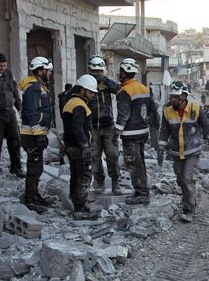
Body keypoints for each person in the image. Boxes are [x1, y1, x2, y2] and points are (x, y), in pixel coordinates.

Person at [159, 82, 209, 223]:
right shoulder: (167, 111)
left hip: (192, 151)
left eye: (176, 96)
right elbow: (164, 131)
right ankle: (187, 201)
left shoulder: (195, 109)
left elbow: (207, 126)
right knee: (180, 180)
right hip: (176, 152)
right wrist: (161, 148)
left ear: (184, 96)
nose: (172, 99)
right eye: (171, 96)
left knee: (187, 178)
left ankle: (189, 208)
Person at [115, 58, 153, 205]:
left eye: (121, 72)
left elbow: (123, 114)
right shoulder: (143, 88)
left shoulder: (125, 91)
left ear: (125, 73)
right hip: (143, 132)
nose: (120, 74)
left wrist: (116, 132)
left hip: (130, 134)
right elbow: (151, 110)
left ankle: (142, 193)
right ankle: (142, 190)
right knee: (140, 162)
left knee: (133, 163)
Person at [19, 56, 55, 213]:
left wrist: (43, 134)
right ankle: (30, 199)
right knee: (34, 168)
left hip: (36, 133)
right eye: (48, 71)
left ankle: (34, 195)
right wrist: (39, 134)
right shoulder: (34, 88)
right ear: (40, 71)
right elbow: (31, 112)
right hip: (31, 135)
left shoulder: (40, 87)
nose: (50, 74)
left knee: (37, 167)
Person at [62, 75, 98, 220]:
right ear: (83, 90)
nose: (93, 95)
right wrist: (85, 145)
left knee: (75, 175)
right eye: (90, 92)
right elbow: (78, 127)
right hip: (78, 147)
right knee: (83, 176)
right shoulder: (79, 105)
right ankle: (80, 207)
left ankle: (75, 200)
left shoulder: (70, 102)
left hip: (72, 145)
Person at [86, 55, 122, 195]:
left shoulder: (108, 84)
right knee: (95, 156)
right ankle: (99, 182)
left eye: (100, 71)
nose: (97, 74)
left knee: (112, 155)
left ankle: (115, 182)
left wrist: (106, 80)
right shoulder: (85, 85)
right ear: (90, 71)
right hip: (92, 127)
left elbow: (119, 90)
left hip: (108, 127)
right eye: (95, 72)